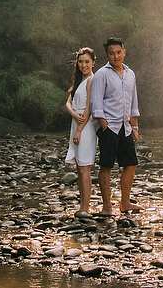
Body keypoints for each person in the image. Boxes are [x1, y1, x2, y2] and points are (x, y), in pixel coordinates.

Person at [89, 36, 141, 215]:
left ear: (124, 53)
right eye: (112, 54)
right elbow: (96, 103)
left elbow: (133, 102)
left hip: (125, 127)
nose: (116, 56)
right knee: (107, 165)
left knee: (131, 163)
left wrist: (134, 126)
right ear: (106, 55)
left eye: (119, 52)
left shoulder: (130, 74)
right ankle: (107, 206)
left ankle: (125, 203)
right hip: (109, 126)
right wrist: (103, 126)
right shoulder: (101, 74)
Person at [63, 47, 97, 215]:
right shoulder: (78, 82)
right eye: (81, 62)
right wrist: (75, 116)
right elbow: (68, 103)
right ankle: (82, 205)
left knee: (84, 167)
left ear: (93, 63)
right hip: (77, 121)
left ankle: (85, 207)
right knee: (79, 166)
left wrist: (79, 129)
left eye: (87, 62)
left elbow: (90, 107)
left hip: (86, 125)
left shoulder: (92, 80)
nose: (84, 65)